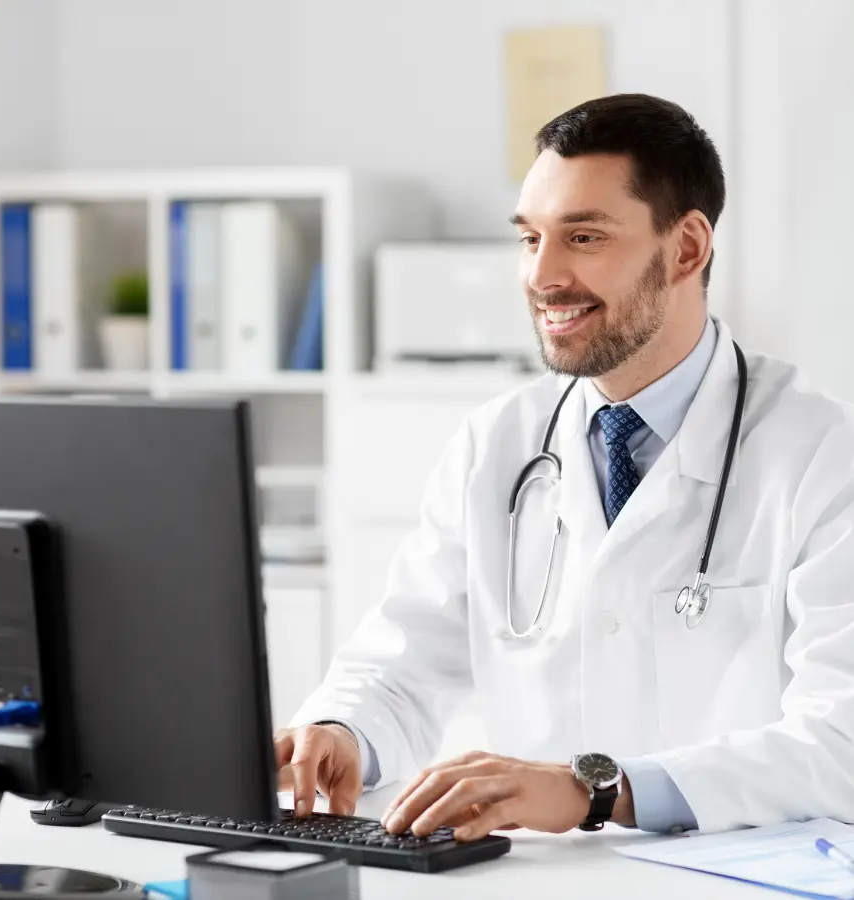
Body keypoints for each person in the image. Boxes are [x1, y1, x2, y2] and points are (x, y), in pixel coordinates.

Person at [274, 93, 854, 841]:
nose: (542, 276)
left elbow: (843, 743)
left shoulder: (819, 452)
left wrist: (599, 793)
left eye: (582, 236)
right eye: (529, 239)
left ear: (686, 249)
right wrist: (340, 728)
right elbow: (403, 661)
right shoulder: (497, 444)